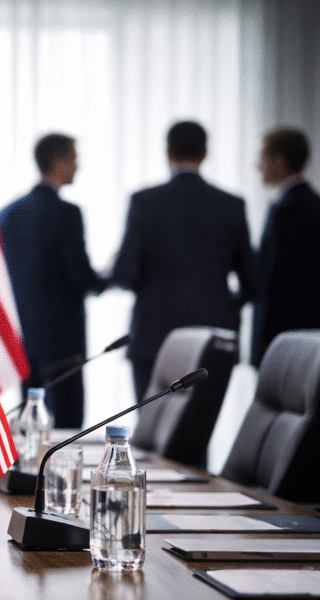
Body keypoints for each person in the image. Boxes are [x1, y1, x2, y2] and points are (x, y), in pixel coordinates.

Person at [113, 121, 258, 399]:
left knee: (147, 436)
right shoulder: (232, 204)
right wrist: (224, 303)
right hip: (213, 339)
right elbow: (252, 282)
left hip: (153, 338)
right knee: (197, 434)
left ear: (168, 153)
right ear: (205, 153)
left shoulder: (144, 202)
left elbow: (125, 275)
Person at [0, 133, 108, 428]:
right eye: (74, 159)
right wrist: (106, 278)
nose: (78, 167)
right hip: (62, 340)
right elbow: (80, 277)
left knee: (28, 423)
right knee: (68, 426)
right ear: (59, 163)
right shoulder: (66, 213)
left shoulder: (7, 214)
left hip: (22, 335)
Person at [250, 127, 320, 367]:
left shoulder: (288, 210)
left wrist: (266, 339)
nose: (256, 165)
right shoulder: (311, 203)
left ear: (279, 160)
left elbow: (277, 282)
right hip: (308, 336)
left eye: (261, 157)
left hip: (285, 339)